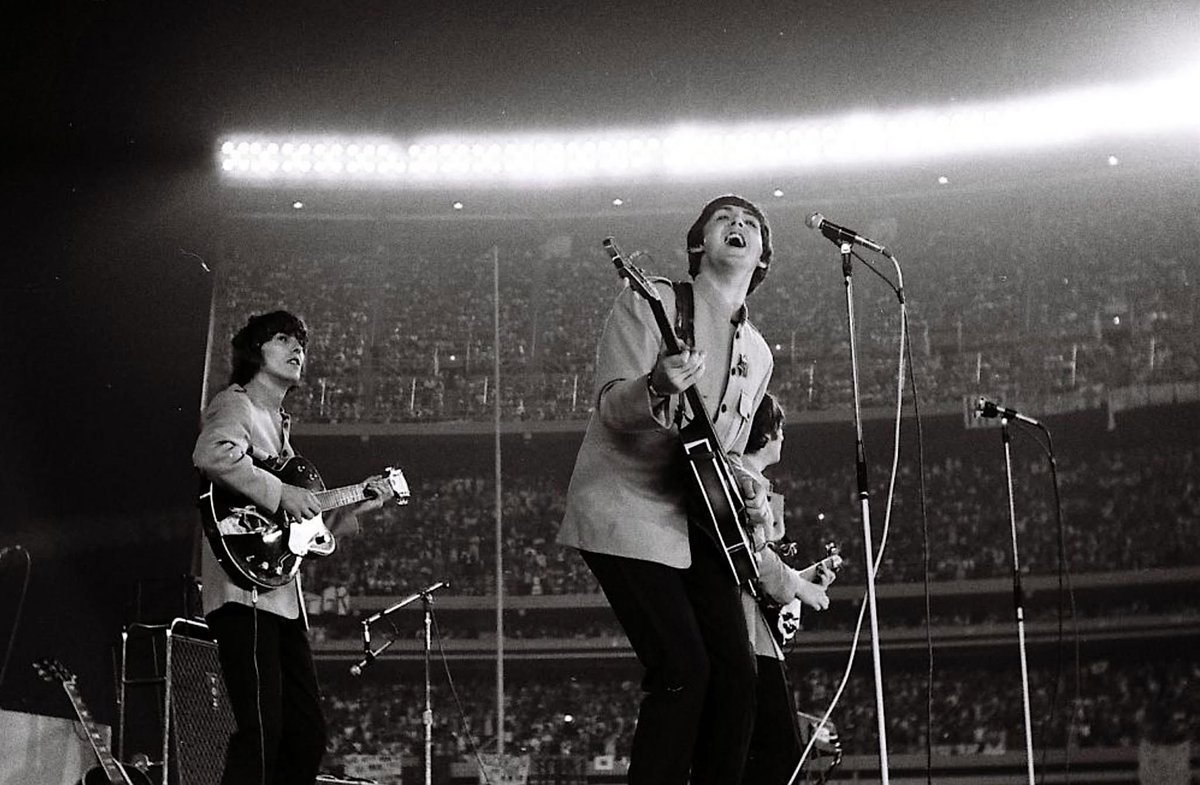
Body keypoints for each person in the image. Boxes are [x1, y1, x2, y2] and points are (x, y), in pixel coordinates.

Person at [558, 195, 778, 785]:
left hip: (700, 518)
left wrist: (751, 489)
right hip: (627, 505)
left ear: (762, 257)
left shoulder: (759, 354)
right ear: (698, 243)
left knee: (738, 676)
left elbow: (728, 454)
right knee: (684, 669)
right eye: (723, 219)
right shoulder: (652, 301)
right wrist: (655, 385)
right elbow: (611, 407)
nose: (738, 225)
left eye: (751, 224)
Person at [193, 310, 392, 785]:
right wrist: (282, 492)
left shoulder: (281, 429)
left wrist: (355, 508)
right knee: (262, 732)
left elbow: (298, 533)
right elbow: (212, 453)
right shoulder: (236, 403)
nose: (297, 348)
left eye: (300, 341)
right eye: (283, 338)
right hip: (243, 594)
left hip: (282, 600)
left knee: (306, 735)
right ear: (255, 350)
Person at [736, 392, 835, 785]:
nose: (783, 437)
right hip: (749, 637)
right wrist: (797, 585)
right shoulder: (745, 482)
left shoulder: (760, 484)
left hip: (761, 635)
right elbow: (752, 557)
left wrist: (803, 577)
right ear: (765, 433)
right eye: (780, 429)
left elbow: (765, 566)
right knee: (777, 752)